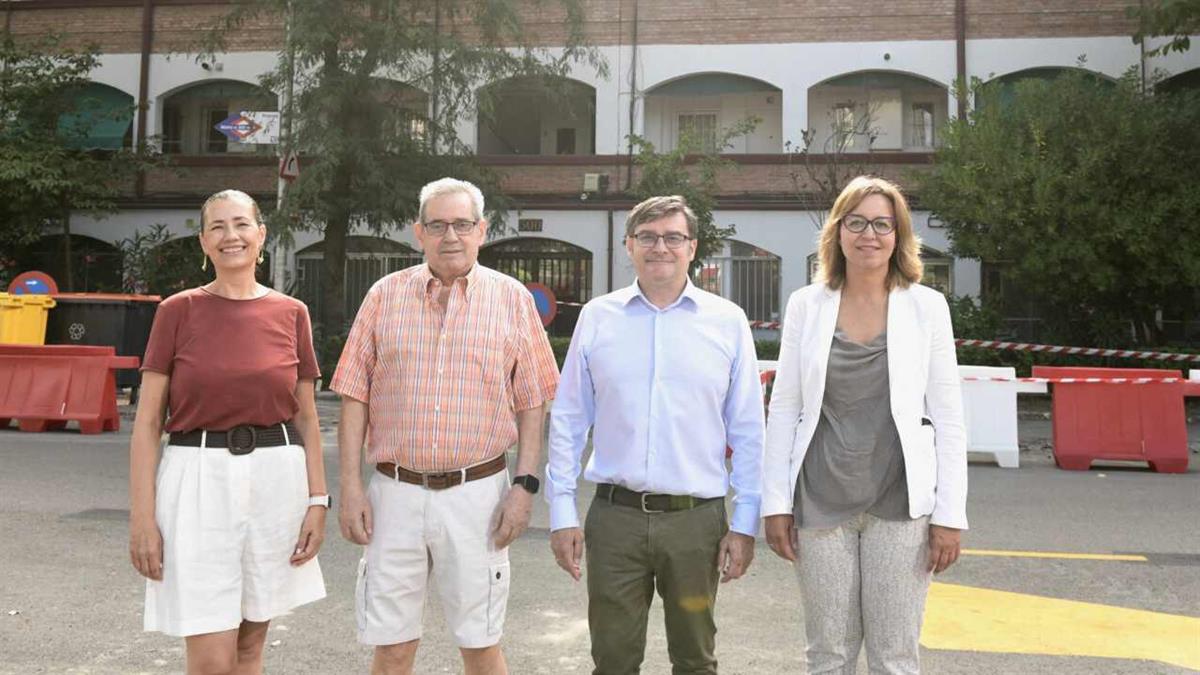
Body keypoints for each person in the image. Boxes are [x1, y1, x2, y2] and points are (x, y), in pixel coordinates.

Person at [332, 177, 559, 675]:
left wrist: (523, 487)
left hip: (477, 494)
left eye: (461, 224)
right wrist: (350, 487)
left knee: (480, 644)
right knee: (391, 647)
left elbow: (534, 402)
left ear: (482, 230)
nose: (449, 236)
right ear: (419, 232)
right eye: (437, 225)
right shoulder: (384, 296)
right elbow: (353, 395)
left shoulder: (512, 299)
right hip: (393, 493)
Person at [545, 195, 765, 675]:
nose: (659, 247)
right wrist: (561, 512)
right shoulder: (599, 317)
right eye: (647, 236)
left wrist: (745, 523)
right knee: (613, 660)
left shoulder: (726, 322)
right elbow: (568, 419)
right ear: (629, 245)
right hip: (615, 521)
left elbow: (748, 429)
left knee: (694, 660)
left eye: (672, 237)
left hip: (695, 525)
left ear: (692, 247)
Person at [761, 175, 967, 674]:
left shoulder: (927, 307)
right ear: (838, 231)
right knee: (828, 654)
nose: (868, 234)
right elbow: (784, 407)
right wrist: (775, 504)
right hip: (818, 499)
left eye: (882, 223)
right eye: (856, 222)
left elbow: (948, 415)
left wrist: (949, 515)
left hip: (901, 503)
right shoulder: (806, 306)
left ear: (899, 236)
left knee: (895, 656)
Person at [129, 189, 329, 675]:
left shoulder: (291, 312)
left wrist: (318, 501)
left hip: (276, 481)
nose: (230, 235)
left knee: (248, 648)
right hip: (197, 480)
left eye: (241, 224)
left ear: (262, 235)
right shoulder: (177, 311)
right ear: (203, 242)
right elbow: (149, 421)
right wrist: (142, 518)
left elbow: (306, 417)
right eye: (217, 227)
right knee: (211, 658)